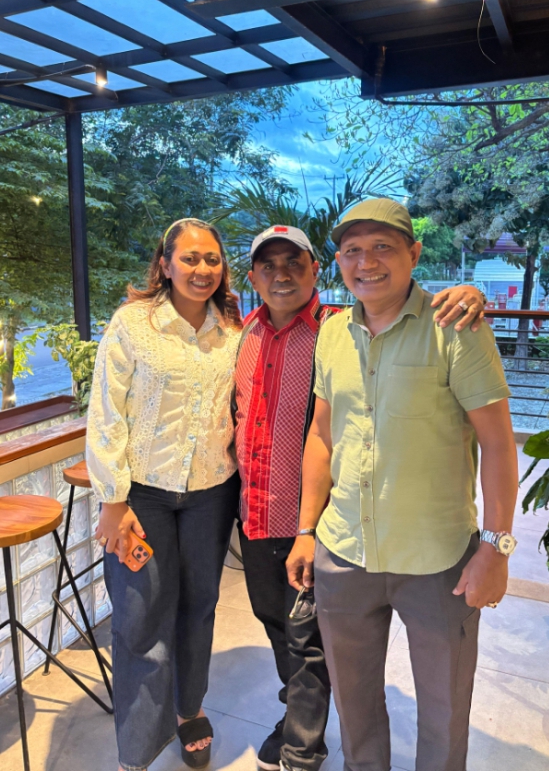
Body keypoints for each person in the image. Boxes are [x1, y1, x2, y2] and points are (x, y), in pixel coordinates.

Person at [234, 223, 487, 771]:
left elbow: (493, 438)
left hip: (396, 535)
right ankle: (300, 729)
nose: (281, 276)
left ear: (315, 270)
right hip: (279, 517)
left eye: (294, 263)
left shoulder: (343, 325)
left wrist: (471, 293)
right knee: (292, 638)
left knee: (327, 650)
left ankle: (302, 744)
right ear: (252, 278)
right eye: (268, 266)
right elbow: (307, 431)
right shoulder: (243, 332)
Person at [286, 199, 519, 771]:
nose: (366, 262)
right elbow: (322, 436)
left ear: (413, 254)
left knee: (444, 708)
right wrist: (307, 530)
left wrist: (496, 547)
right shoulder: (332, 333)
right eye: (352, 250)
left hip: (436, 560)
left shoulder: (456, 329)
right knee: (355, 705)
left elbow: (497, 443)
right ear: (338, 261)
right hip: (345, 552)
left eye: (382, 247)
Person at [86, 218, 242, 771]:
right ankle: (135, 750)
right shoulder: (133, 324)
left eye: (212, 259)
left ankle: (188, 710)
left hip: (210, 494)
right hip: (142, 497)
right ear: (165, 264)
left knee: (199, 609)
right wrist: (112, 500)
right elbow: (106, 413)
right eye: (190, 258)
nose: (202, 269)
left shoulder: (234, 330)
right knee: (139, 619)